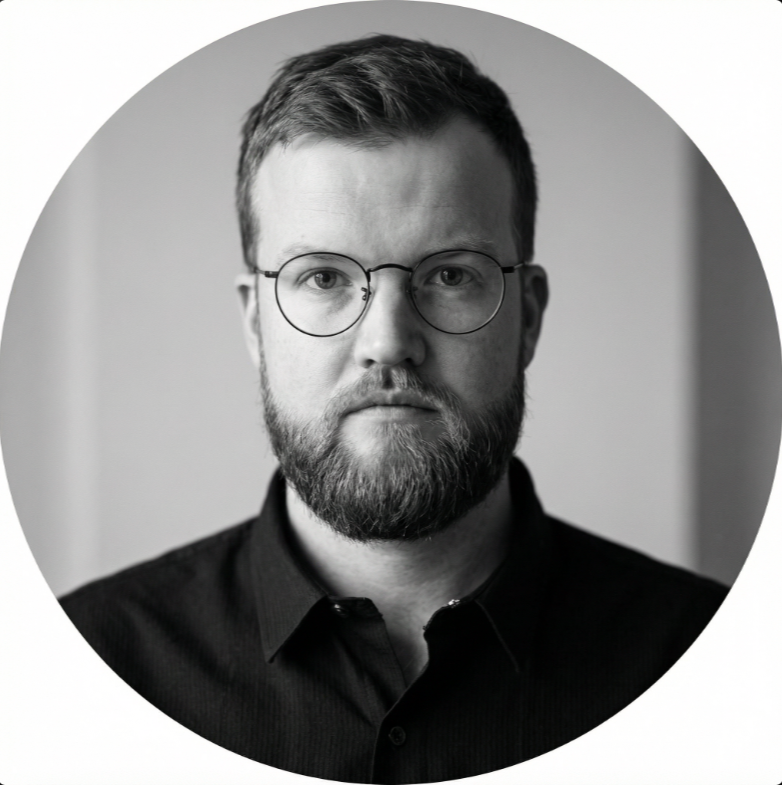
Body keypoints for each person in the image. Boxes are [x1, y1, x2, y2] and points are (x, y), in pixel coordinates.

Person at [61, 35, 727, 783]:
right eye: (323, 277)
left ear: (529, 317)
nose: (388, 342)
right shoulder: (82, 672)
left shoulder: (716, 666)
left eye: (450, 275)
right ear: (255, 321)